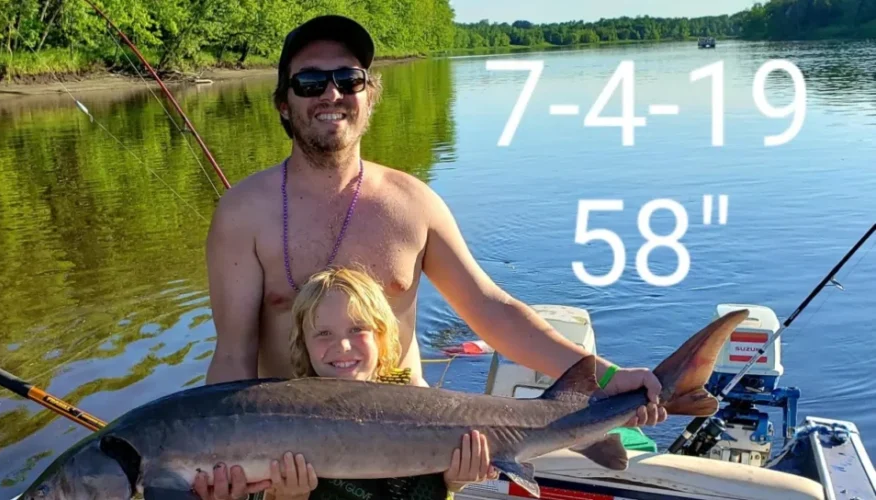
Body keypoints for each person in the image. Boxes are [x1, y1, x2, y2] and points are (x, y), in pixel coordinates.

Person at [196, 14, 667, 499]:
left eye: (349, 79)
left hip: (418, 457)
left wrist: (606, 375)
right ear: (283, 103)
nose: (331, 94)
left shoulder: (413, 204)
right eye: (311, 82)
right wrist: (217, 463)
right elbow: (233, 356)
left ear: (370, 95)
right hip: (290, 469)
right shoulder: (242, 214)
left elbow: (491, 311)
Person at [262, 266, 498, 500]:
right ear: (304, 343)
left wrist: (455, 481)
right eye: (323, 334)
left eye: (357, 329)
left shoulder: (414, 394)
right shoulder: (280, 414)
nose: (343, 346)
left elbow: (441, 484)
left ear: (380, 334)